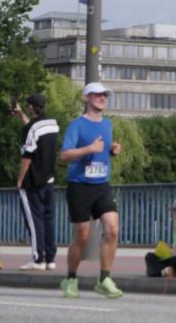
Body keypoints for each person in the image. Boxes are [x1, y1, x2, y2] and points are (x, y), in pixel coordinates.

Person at [58, 82, 124, 300]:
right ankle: (70, 278)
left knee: (112, 229)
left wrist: (112, 151)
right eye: (97, 95)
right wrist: (89, 148)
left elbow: (101, 152)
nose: (102, 98)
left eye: (105, 95)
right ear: (86, 98)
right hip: (79, 186)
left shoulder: (107, 124)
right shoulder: (76, 125)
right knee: (82, 236)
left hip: (101, 185)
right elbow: (64, 155)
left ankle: (104, 279)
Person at [13, 93, 59, 271]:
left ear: (31, 107)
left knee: (34, 221)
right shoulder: (52, 124)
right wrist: (21, 116)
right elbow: (35, 130)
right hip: (49, 179)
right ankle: (50, 258)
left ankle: (38, 259)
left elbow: (28, 155)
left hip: (33, 181)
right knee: (48, 219)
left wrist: (20, 180)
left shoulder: (32, 128)